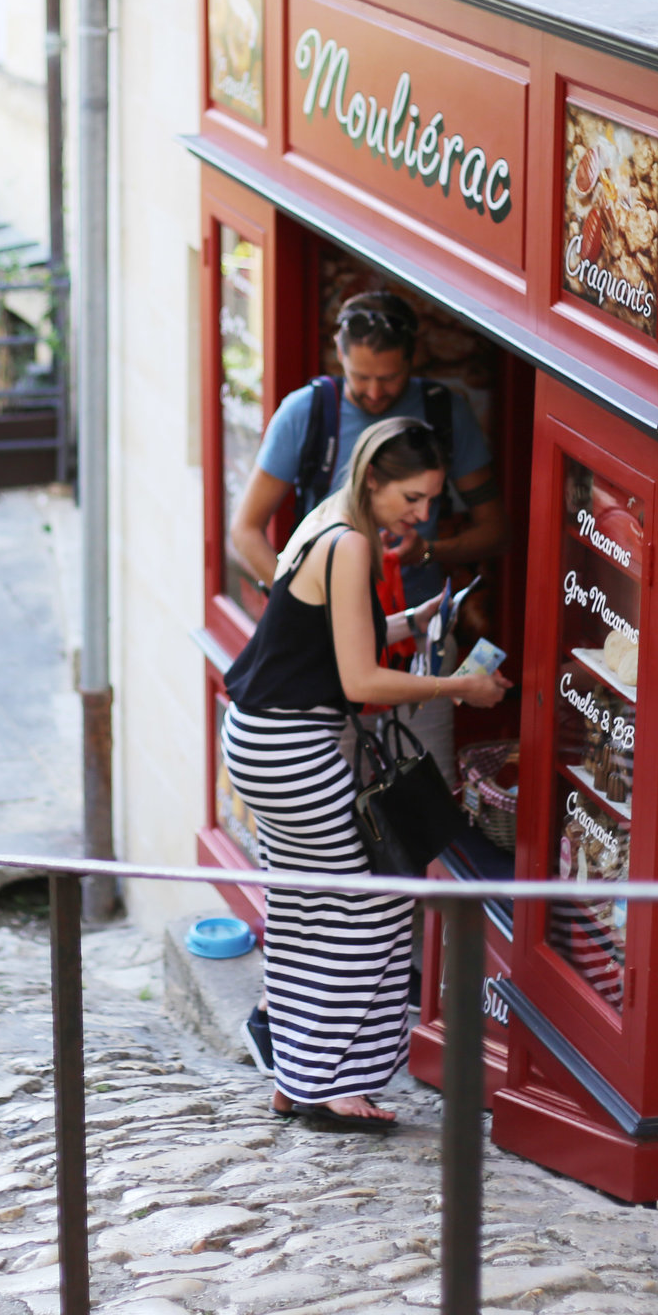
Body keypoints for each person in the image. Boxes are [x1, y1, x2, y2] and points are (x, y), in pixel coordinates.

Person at [219, 418, 511, 1130]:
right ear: (374, 479)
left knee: (301, 902)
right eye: (411, 498)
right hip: (295, 744)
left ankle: (298, 1075)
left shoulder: (329, 521)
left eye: (431, 501)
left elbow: (324, 633)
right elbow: (362, 678)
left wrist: (414, 619)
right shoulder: (351, 545)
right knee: (369, 903)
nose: (422, 516)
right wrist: (457, 690)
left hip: (257, 738)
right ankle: (330, 1083)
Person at [229, 291, 508, 774]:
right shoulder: (307, 413)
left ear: (413, 360)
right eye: (361, 377)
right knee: (346, 797)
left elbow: (497, 532)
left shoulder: (446, 415)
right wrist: (308, 612)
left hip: (420, 638)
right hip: (334, 654)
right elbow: (245, 530)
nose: (375, 392)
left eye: (390, 378)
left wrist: (429, 550)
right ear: (338, 354)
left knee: (423, 795)